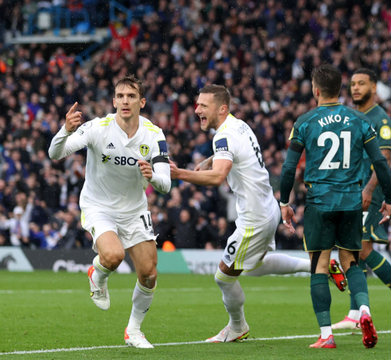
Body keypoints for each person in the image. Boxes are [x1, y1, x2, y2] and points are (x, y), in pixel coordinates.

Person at [169, 85, 323, 343]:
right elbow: (233, 152)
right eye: (197, 104)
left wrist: (179, 174)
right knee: (254, 267)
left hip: (254, 219)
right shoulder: (239, 125)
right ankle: (316, 266)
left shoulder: (223, 137)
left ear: (222, 108)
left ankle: (237, 326)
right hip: (268, 208)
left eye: (203, 106)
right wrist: (210, 159)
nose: (197, 110)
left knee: (223, 278)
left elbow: (218, 177)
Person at [48, 76, 171, 348]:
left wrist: (152, 177)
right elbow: (55, 154)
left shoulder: (154, 134)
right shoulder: (97, 128)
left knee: (149, 273)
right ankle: (98, 274)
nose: (125, 101)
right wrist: (64, 131)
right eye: (120, 96)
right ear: (114, 101)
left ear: (141, 102)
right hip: (98, 205)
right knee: (113, 256)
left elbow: (165, 183)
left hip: (134, 209)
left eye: (131, 96)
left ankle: (134, 331)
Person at [279, 64, 391, 349]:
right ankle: (364, 311)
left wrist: (284, 201)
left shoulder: (305, 122)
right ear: (340, 89)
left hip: (320, 200)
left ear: (316, 90)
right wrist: (389, 198)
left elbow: (289, 168)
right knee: (351, 261)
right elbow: (380, 162)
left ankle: (326, 335)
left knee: (319, 264)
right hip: (351, 200)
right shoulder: (359, 120)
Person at [332, 68, 391, 332]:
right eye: (353, 84)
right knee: (349, 250)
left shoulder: (380, 119)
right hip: (352, 189)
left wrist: (370, 189)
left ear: (374, 87)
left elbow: (384, 158)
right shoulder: (353, 116)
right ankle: (355, 312)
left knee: (363, 249)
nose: (355, 88)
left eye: (362, 84)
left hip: (369, 190)